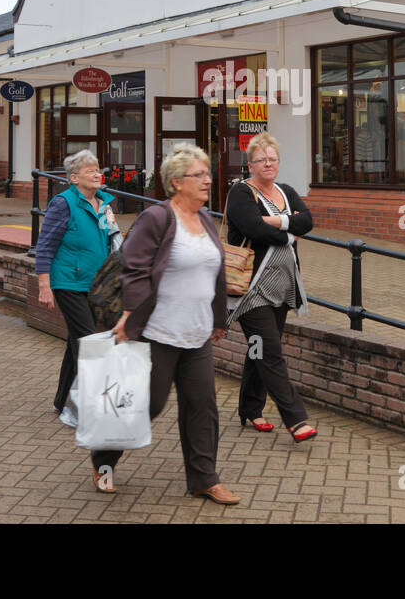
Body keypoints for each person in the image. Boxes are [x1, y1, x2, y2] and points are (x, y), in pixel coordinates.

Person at [93, 144, 238, 505]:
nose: (208, 180)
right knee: (147, 405)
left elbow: (216, 273)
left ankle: (205, 478)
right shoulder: (157, 218)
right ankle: (104, 460)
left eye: (208, 173)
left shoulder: (205, 219)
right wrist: (129, 314)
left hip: (197, 332)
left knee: (202, 407)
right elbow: (135, 268)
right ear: (176, 182)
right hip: (157, 332)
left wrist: (219, 318)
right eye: (199, 175)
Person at [224, 133, 317, 442]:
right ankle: (296, 419)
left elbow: (308, 221)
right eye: (262, 159)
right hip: (251, 288)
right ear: (250, 164)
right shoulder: (241, 192)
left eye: (272, 158)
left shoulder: (286, 191)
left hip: (282, 285)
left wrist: (276, 222)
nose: (268, 163)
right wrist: (289, 232)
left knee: (260, 348)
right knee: (270, 350)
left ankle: (251, 409)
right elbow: (252, 228)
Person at [33, 150, 119, 423]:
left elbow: (111, 241)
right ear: (73, 178)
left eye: (98, 170)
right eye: (90, 170)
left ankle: (62, 402)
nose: (97, 174)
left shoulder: (104, 203)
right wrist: (44, 285)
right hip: (69, 282)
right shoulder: (64, 203)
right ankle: (88, 407)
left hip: (97, 284)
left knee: (76, 344)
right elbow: (45, 245)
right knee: (89, 343)